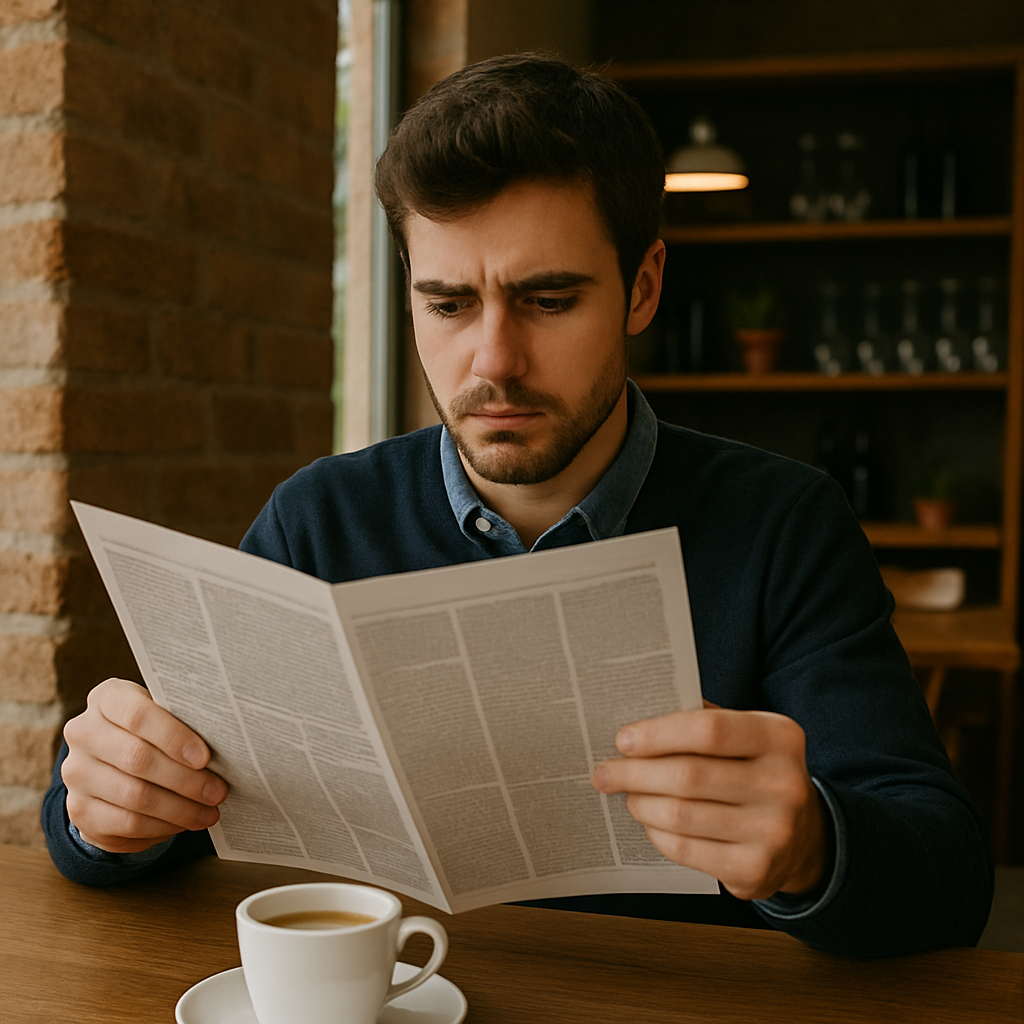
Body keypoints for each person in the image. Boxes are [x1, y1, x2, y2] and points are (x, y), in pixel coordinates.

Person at [43, 53, 992, 957]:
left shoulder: (784, 524)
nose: (492, 361)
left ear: (642, 287)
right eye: (449, 304)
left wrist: (815, 848)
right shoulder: (320, 518)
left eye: (547, 300)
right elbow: (138, 805)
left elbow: (951, 877)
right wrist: (101, 811)